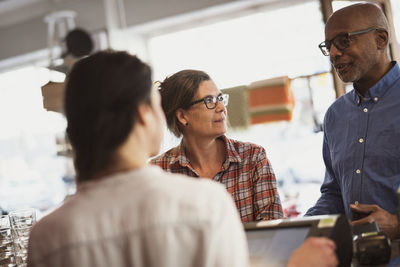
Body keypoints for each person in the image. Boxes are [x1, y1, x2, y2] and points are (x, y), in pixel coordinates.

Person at [26, 50, 338, 267]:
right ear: (144, 115)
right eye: (154, 104)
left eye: (220, 99)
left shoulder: (48, 236)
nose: (221, 107)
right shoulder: (202, 203)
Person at [306, 3, 400, 239]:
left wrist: (397, 225)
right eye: (328, 46)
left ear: (380, 39)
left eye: (344, 40)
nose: (334, 53)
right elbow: (334, 193)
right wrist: (302, 229)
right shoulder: (335, 116)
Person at [151, 69, 283, 223]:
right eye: (209, 101)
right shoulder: (159, 171)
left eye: (220, 98)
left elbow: (272, 231)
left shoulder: (253, 157)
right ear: (182, 116)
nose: (221, 107)